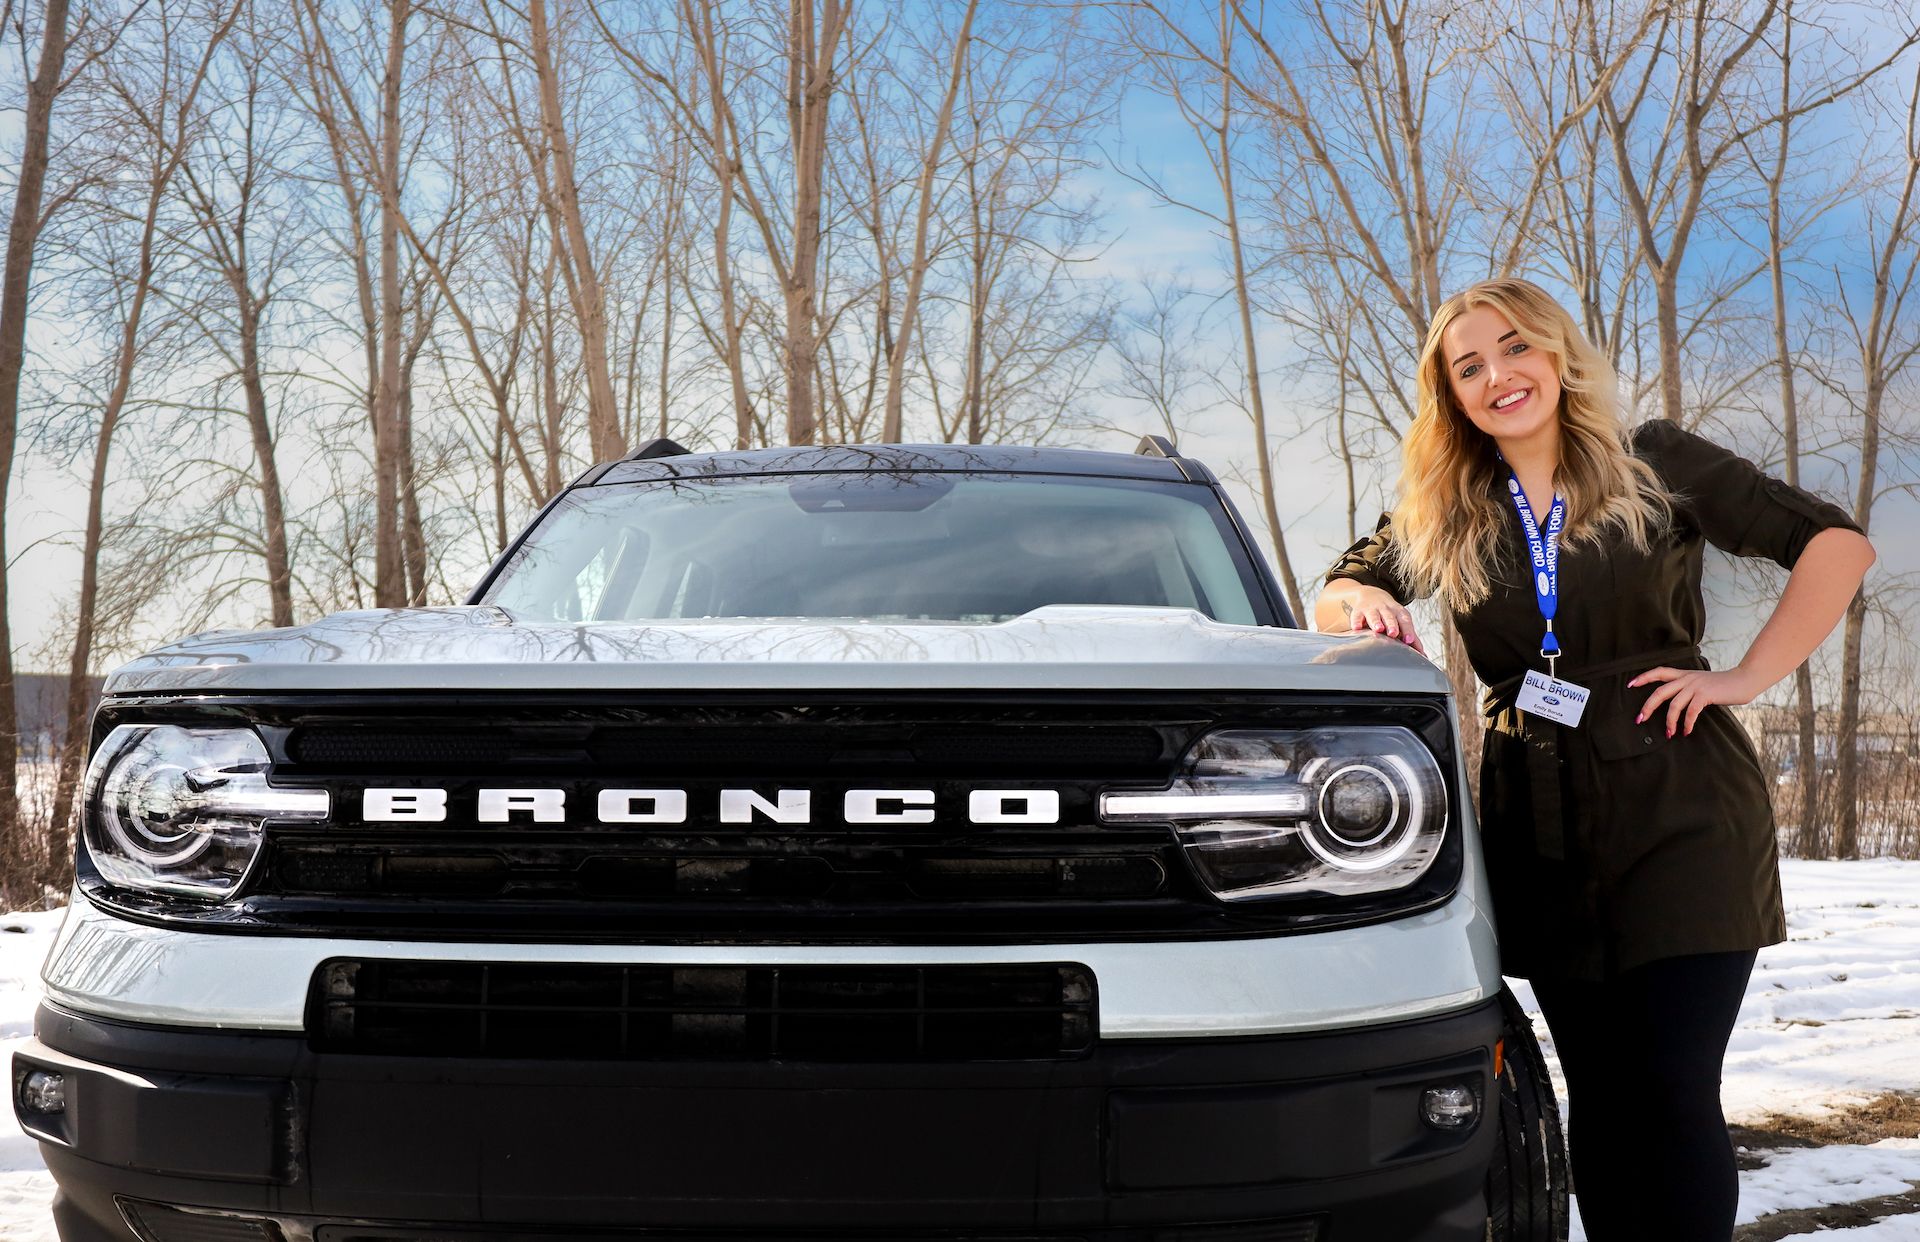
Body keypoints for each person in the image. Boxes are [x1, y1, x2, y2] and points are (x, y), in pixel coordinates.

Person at [1312, 278, 1875, 1240]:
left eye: (1516, 348)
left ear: (1558, 356)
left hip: (1681, 804)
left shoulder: (1651, 458)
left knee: (1670, 1086)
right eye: (1470, 365)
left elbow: (1834, 545)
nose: (1500, 375)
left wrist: (1741, 677)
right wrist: (1358, 607)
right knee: (1602, 1095)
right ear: (1451, 395)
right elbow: (1342, 583)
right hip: (1540, 822)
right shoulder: (1451, 506)